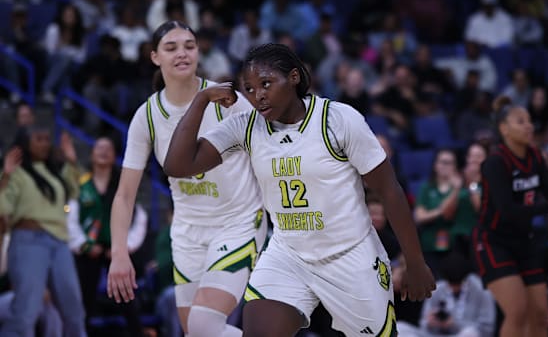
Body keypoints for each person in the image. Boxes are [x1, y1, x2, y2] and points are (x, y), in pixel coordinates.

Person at [163, 43, 436, 337]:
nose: (258, 96)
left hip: (350, 255)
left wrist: (414, 262)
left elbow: (390, 190)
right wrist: (202, 99)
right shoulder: (245, 126)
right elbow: (177, 165)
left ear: (294, 77)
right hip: (288, 255)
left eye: (266, 83)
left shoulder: (338, 119)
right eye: (250, 89)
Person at [107, 20, 267, 337]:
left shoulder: (228, 102)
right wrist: (119, 253)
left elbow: (269, 155)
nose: (182, 53)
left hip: (237, 222)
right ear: (155, 57)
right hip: (188, 232)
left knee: (204, 324)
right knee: (196, 333)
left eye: (189, 46)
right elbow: (125, 195)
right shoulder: (148, 115)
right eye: (171, 47)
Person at [472, 95, 548, 337]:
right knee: (517, 312)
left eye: (530, 121)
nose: (529, 126)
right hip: (493, 242)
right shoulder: (494, 163)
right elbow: (508, 211)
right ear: (504, 129)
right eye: (520, 121)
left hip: (524, 241)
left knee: (540, 314)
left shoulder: (535, 156)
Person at [0, 128, 87, 336]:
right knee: (26, 312)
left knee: (74, 310)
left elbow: (74, 192)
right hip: (28, 241)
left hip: (59, 242)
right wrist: (6, 176)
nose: (45, 143)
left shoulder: (53, 173)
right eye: (39, 139)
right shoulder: (16, 173)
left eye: (48, 139)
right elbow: (3, 209)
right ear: (25, 143)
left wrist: (71, 161)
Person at [67, 137, 149, 335]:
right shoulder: (82, 184)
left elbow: (139, 217)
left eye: (108, 148)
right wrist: (84, 245)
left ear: (114, 156)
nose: (103, 152)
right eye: (99, 148)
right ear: (92, 154)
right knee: (82, 300)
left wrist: (125, 247)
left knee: (126, 298)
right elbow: (70, 218)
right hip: (89, 251)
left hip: (117, 251)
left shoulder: (122, 183)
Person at [419, 253, 495, 337]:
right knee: (402, 328)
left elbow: (487, 329)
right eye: (450, 284)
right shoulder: (437, 289)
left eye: (457, 284)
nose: (453, 288)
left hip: (464, 334)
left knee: (470, 333)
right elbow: (422, 324)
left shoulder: (481, 290)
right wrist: (429, 323)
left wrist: (455, 324)